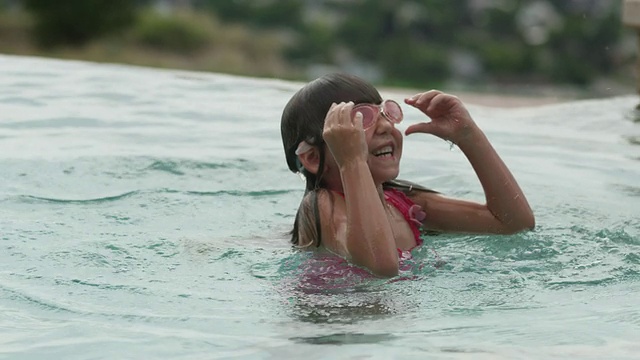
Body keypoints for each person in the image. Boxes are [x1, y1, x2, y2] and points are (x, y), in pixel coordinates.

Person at [280, 73, 535, 277]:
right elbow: (380, 267)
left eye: (384, 113)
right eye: (360, 120)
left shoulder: (402, 203)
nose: (384, 126)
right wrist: (352, 162)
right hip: (339, 325)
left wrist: (468, 136)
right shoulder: (322, 206)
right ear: (313, 158)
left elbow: (512, 224)